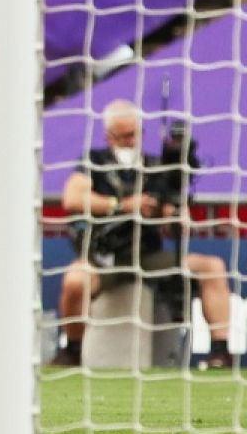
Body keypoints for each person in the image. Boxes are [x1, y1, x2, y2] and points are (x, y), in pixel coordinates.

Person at [49, 99, 233, 369]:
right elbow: (72, 198)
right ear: (108, 136)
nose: (130, 141)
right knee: (75, 280)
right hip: (104, 257)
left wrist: (170, 212)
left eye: (134, 134)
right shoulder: (94, 161)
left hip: (148, 254)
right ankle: (73, 349)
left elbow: (172, 205)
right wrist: (122, 205)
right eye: (123, 136)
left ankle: (220, 351)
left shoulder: (156, 166)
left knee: (212, 267)